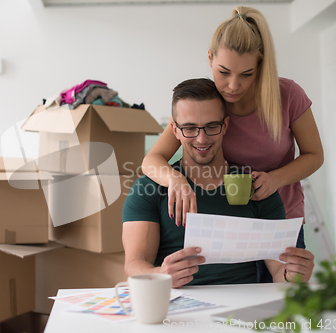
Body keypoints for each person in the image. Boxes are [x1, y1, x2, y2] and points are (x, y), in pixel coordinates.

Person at [122, 78, 315, 288]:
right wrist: (161, 274)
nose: (201, 139)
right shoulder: (148, 189)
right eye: (189, 128)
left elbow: (279, 271)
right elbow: (133, 267)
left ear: (225, 125)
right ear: (175, 130)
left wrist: (294, 274)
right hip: (178, 308)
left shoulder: (255, 188)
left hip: (243, 312)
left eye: (211, 126)